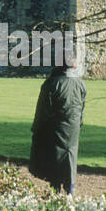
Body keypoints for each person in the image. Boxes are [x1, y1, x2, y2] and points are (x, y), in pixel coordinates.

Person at [28, 54, 86, 195]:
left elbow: (42, 109)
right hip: (73, 127)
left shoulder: (52, 83)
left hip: (55, 126)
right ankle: (70, 189)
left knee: (55, 157)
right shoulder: (80, 84)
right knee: (70, 156)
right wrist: (79, 124)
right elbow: (82, 108)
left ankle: (56, 188)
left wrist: (36, 128)